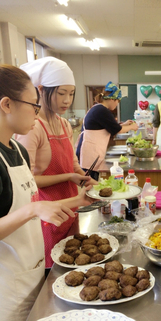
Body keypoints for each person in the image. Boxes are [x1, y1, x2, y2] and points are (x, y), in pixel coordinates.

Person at [0, 64, 94, 321]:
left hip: (31, 268)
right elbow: (29, 206)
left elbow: (25, 195)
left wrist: (79, 200)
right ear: (7, 104)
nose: (37, 112)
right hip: (7, 284)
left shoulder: (15, 150)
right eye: (33, 105)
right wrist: (34, 209)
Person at [15, 56, 97, 269]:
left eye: (71, 94)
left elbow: (72, 162)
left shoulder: (64, 124)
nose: (67, 100)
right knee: (54, 268)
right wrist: (70, 176)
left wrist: (84, 178)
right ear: (41, 90)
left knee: (73, 261)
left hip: (70, 207)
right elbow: (28, 181)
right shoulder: (32, 128)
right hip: (47, 212)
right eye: (61, 93)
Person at [76, 81, 138, 181]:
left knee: (92, 183)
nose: (117, 104)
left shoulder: (98, 108)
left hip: (90, 152)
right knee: (91, 185)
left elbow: (110, 126)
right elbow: (118, 130)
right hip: (90, 154)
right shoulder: (102, 110)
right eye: (118, 101)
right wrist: (132, 127)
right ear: (112, 99)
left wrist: (125, 124)